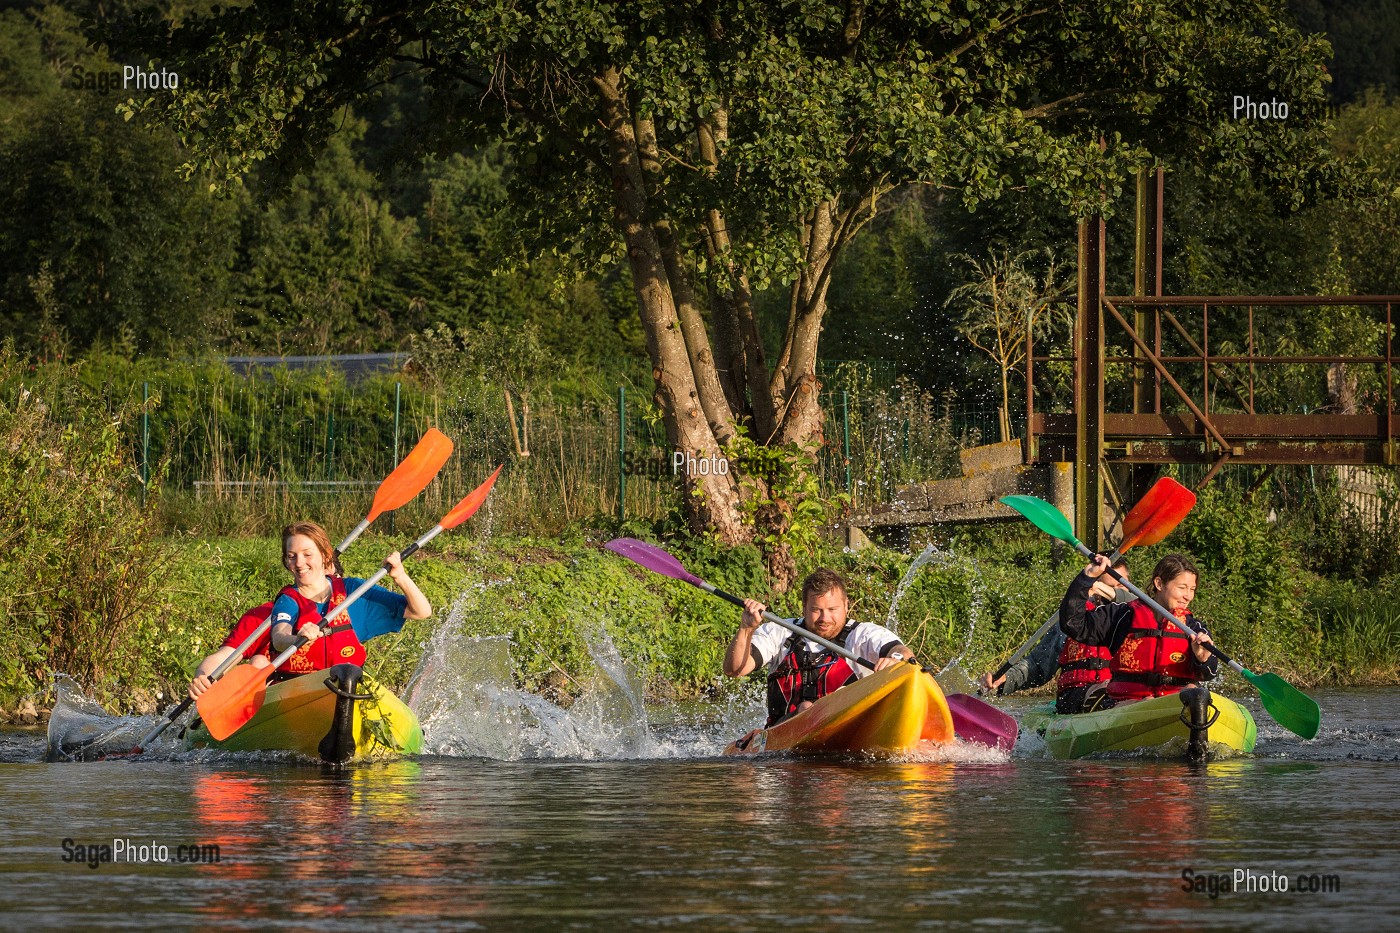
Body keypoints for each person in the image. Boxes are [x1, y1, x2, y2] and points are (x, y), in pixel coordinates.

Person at [724, 568, 914, 727]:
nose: (825, 619)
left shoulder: (863, 635)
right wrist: (746, 628)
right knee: (806, 707)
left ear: (846, 606)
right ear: (804, 607)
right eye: (816, 610)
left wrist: (896, 660)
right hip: (785, 730)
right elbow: (734, 669)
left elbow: (903, 652)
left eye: (832, 610)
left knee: (810, 707)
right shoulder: (778, 632)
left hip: (852, 724)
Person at [270, 521, 432, 676]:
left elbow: (421, 612)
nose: (299, 563)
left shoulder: (354, 591)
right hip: (301, 688)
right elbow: (279, 638)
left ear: (325, 556)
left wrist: (400, 577)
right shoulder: (288, 600)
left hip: (347, 684)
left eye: (307, 554)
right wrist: (298, 638)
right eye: (292, 556)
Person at [1058, 553, 1218, 705]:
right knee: (1148, 702)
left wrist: (1203, 659)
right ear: (1159, 584)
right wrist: (1087, 576)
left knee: (1194, 693)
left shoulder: (1193, 628)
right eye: (1182, 587)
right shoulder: (1122, 616)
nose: (1188, 596)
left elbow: (1208, 673)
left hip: (1173, 703)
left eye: (1192, 589)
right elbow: (1073, 623)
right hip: (1127, 702)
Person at [978, 559, 1131, 714]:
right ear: (1095, 589)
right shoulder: (1074, 621)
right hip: (1075, 697)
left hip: (1125, 693)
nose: (1114, 594)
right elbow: (1038, 667)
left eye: (1120, 587)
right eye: (1108, 587)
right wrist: (1006, 679)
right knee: (1105, 689)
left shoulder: (1140, 616)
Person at [188, 602, 275, 700]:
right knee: (259, 662)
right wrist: (203, 678)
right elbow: (223, 657)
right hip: (267, 698)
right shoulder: (263, 616)